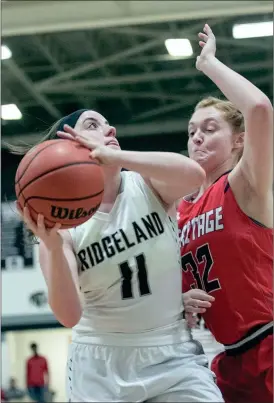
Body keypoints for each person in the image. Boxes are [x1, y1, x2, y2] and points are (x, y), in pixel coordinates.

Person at [16, 107, 224, 402]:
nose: (110, 130)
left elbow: (193, 176)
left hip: (171, 352)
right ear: (68, 145)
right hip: (101, 364)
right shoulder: (62, 230)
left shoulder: (146, 184)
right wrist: (51, 247)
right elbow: (68, 314)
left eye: (108, 124)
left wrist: (117, 157)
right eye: (93, 125)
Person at [178, 24, 273, 403]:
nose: (197, 137)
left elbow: (260, 109)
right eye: (191, 131)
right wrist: (178, 303)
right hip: (228, 360)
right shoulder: (179, 210)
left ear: (239, 140)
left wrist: (210, 64)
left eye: (209, 128)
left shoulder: (246, 184)